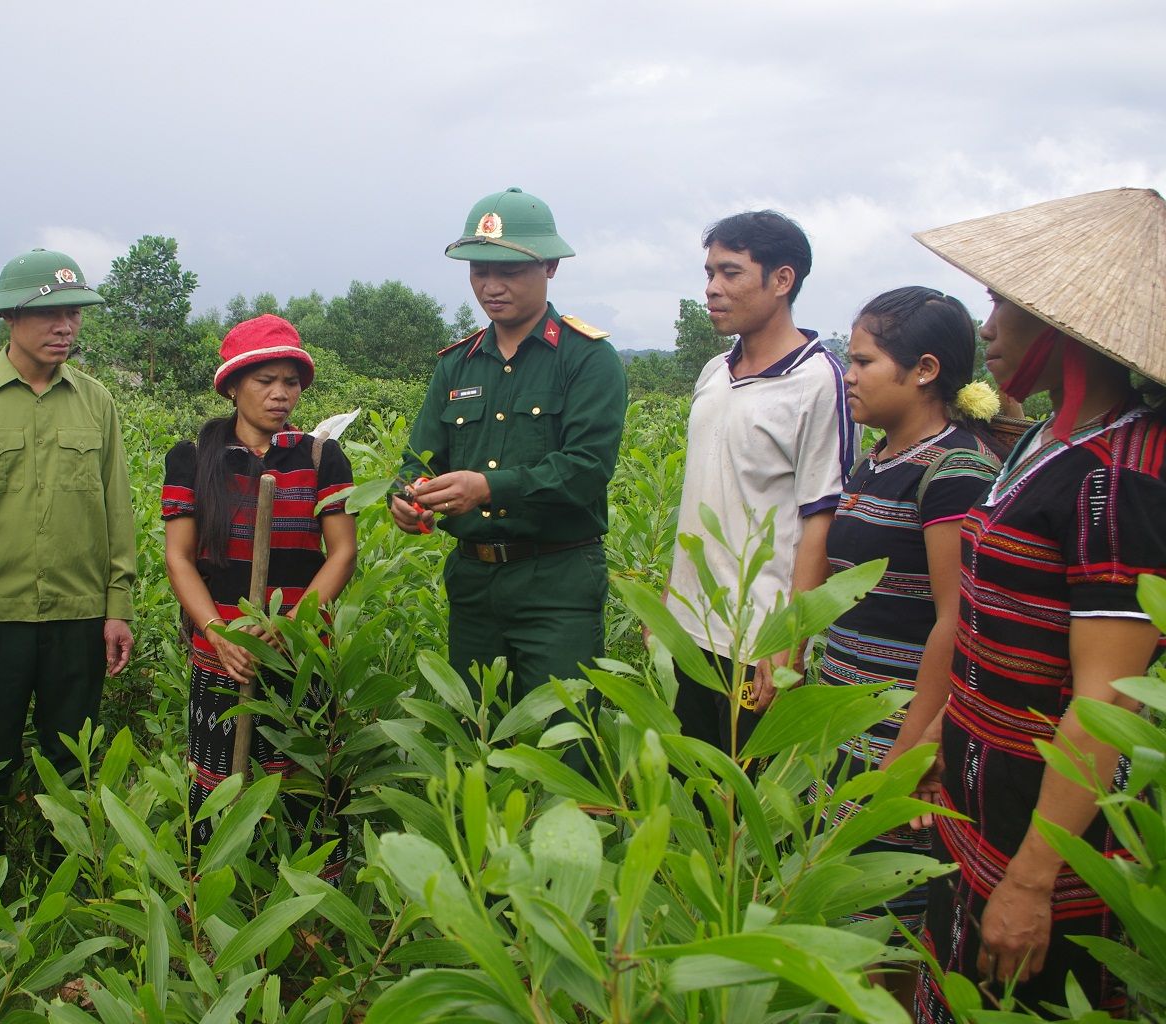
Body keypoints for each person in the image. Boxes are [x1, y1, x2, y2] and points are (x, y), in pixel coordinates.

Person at [910, 188, 1166, 1020]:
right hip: (989, 797)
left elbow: (1107, 701)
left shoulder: (1118, 477)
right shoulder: (1041, 438)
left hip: (1053, 836)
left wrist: (1032, 880)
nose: (985, 328)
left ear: (1062, 325)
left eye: (1001, 305)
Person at [389, 187, 627, 737]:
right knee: (473, 739)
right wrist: (408, 500)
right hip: (474, 583)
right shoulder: (457, 365)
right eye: (479, 270)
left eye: (509, 271)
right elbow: (415, 461)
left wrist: (489, 488)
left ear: (549, 266)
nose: (490, 286)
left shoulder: (587, 358)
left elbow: (587, 467)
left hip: (558, 583)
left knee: (566, 743)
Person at [818, 287, 1002, 983]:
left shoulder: (954, 470)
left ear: (924, 370)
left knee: (885, 930)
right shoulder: (879, 458)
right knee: (839, 908)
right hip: (845, 727)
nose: (851, 374)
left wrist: (908, 754)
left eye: (864, 361)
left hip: (898, 735)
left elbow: (958, 618)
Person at [0, 249, 137, 859]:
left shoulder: (97, 402)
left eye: (73, 313)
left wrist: (117, 604)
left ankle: (63, 875)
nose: (65, 327)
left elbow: (116, 509)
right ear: (10, 318)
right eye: (50, 314)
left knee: (70, 756)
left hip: (79, 613)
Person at [162, 315, 357, 880]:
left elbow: (341, 552)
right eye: (264, 381)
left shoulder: (321, 458)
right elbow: (180, 557)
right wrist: (219, 634)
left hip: (299, 651)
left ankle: (310, 910)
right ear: (231, 386)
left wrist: (290, 625)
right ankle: (215, 897)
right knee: (219, 782)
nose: (280, 394)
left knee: (302, 781)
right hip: (222, 648)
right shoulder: (192, 459)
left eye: (291, 382)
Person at [665, 210, 856, 758]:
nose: (711, 290)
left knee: (743, 804)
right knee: (691, 793)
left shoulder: (818, 382)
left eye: (730, 273)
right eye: (708, 274)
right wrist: (670, 604)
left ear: (781, 280)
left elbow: (821, 516)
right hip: (691, 628)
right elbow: (703, 497)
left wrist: (789, 638)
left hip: (756, 640)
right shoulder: (713, 372)